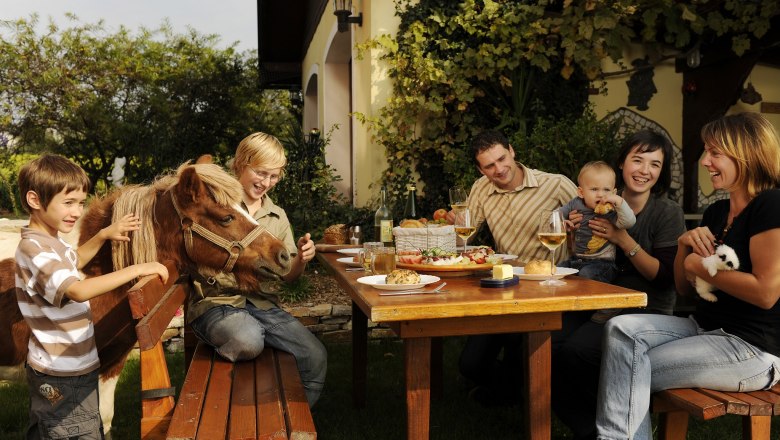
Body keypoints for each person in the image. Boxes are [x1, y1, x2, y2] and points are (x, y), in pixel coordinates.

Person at [594, 112, 780, 439]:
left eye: (715, 153)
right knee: (620, 330)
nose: (705, 161)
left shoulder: (771, 204)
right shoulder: (717, 212)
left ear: (745, 155)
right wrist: (683, 248)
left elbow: (766, 293)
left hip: (751, 348)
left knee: (629, 364)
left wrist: (699, 266)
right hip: (703, 328)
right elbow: (683, 288)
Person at [15, 154, 169, 440]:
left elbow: (75, 261)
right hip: (61, 372)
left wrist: (103, 235)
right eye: (68, 202)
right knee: (76, 430)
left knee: (51, 428)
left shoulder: (51, 241)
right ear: (35, 200)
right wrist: (137, 268)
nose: (76, 211)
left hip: (68, 365)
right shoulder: (34, 250)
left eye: (81, 203)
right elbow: (77, 289)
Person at [551, 129, 686, 439]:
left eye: (655, 164)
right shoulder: (596, 200)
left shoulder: (666, 212)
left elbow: (664, 277)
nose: (645, 170)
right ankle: (590, 426)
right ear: (622, 163)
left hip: (644, 307)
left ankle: (610, 425)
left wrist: (622, 239)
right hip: (596, 298)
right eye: (638, 160)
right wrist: (573, 235)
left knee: (577, 350)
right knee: (547, 342)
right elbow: (584, 255)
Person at [187, 132, 327, 406]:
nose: (266, 182)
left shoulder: (277, 216)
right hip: (218, 304)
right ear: (241, 164)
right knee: (249, 340)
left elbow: (288, 276)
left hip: (263, 307)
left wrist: (301, 259)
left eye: (274, 176)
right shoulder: (218, 204)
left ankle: (294, 421)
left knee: (315, 356)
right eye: (261, 173)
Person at [454, 129, 578, 406]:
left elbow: (587, 221)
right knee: (470, 365)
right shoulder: (481, 188)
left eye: (502, 159)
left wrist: (575, 230)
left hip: (549, 288)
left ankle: (510, 391)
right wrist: (454, 227)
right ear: (480, 169)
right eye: (489, 166)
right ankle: (510, 388)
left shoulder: (556, 184)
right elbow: (465, 236)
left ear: (512, 151)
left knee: (521, 352)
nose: (499, 169)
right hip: (504, 286)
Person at [558, 161, 636, 323]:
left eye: (606, 190)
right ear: (581, 192)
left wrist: (620, 203)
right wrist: (563, 223)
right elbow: (557, 215)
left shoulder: (611, 210)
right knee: (558, 271)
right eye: (594, 189)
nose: (601, 195)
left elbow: (629, 222)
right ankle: (562, 306)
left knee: (587, 274)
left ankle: (611, 303)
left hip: (602, 262)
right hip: (577, 259)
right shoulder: (575, 203)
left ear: (614, 192)